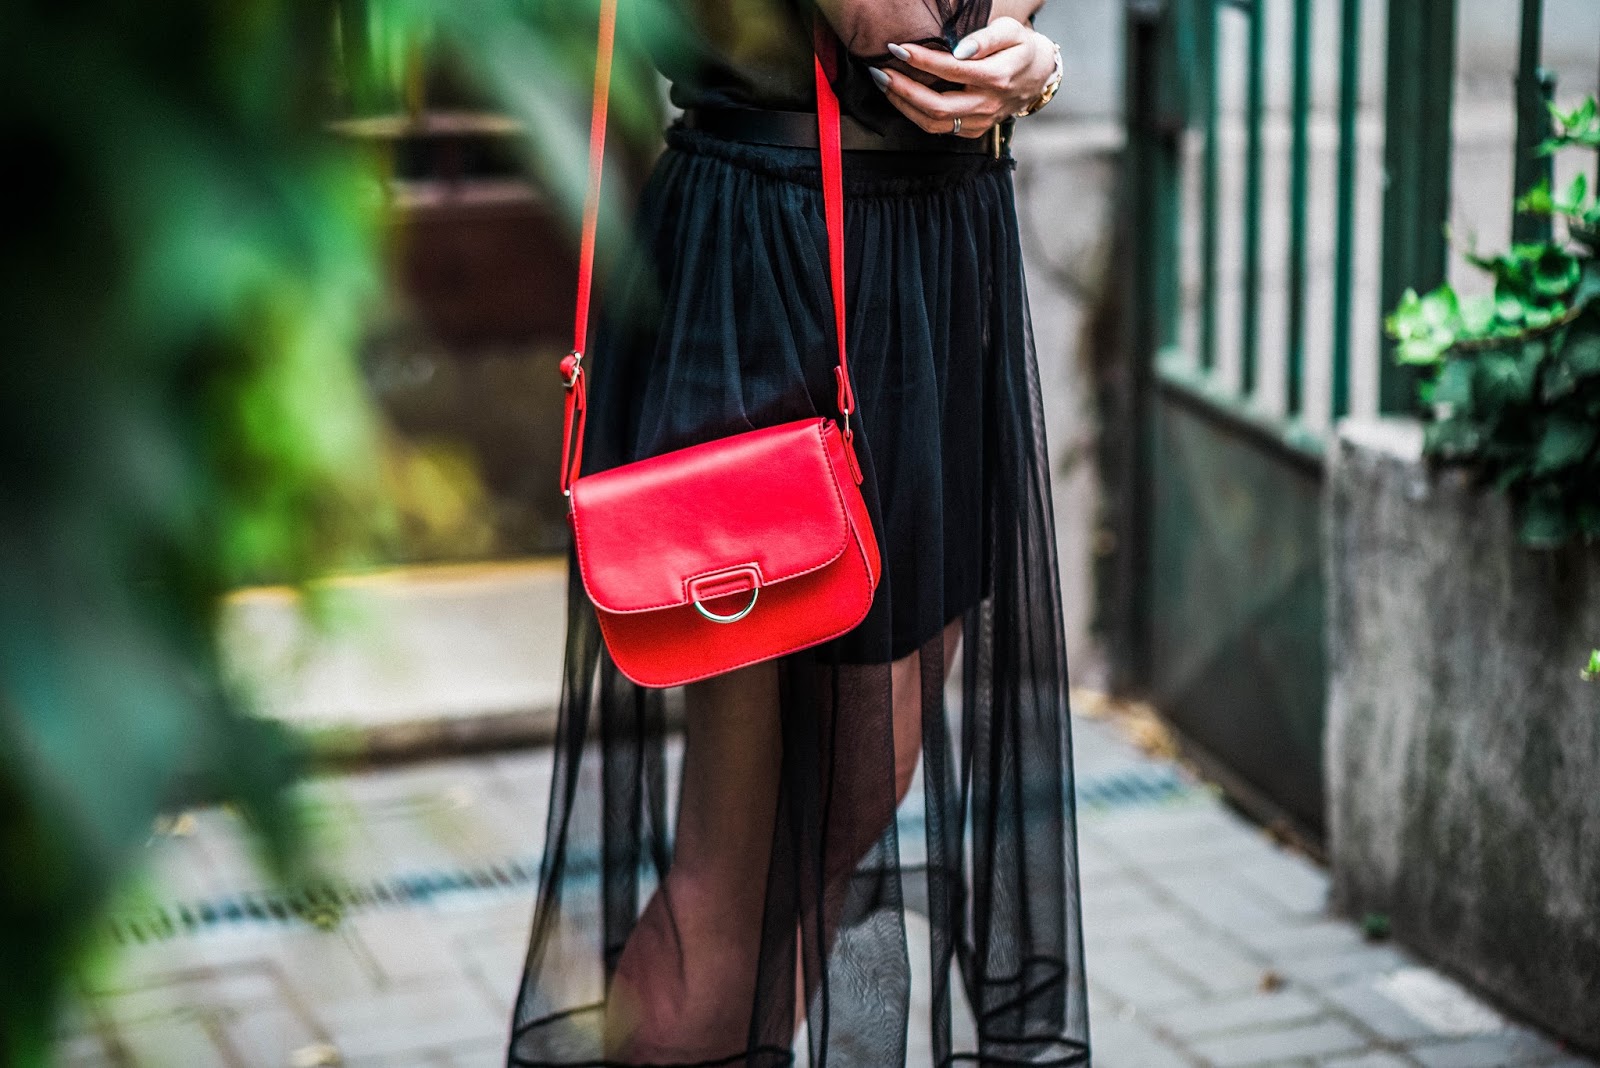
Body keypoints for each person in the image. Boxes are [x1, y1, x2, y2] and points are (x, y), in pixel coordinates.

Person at [507, 1, 1089, 1064]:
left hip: (925, 254)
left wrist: (1028, 62)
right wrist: (998, 51)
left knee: (858, 790)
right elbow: (901, 33)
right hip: (784, 258)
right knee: (745, 852)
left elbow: (959, 47)